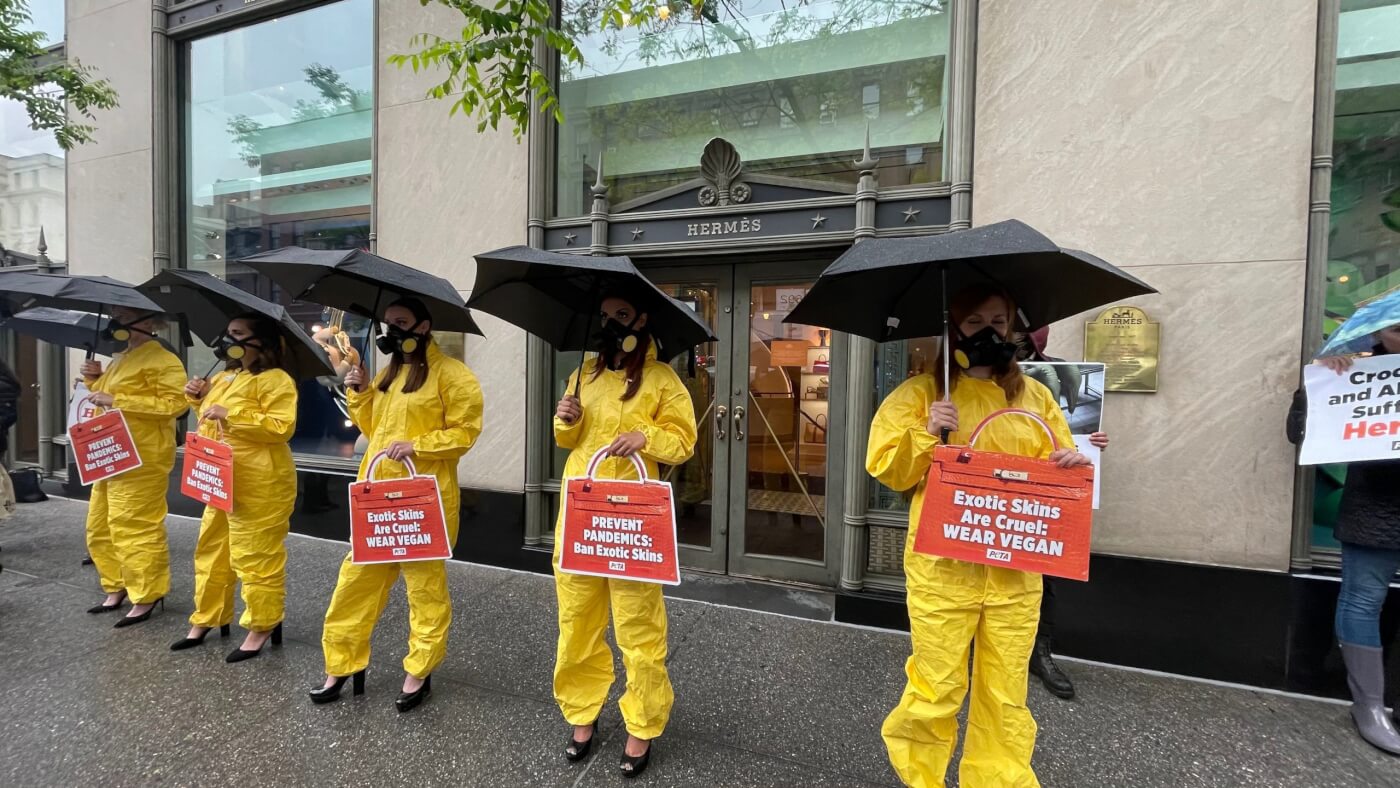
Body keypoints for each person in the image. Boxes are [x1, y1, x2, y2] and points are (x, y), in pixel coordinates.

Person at [867, 285, 1092, 787]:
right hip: (943, 571)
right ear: (953, 330)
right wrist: (926, 432)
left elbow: (1055, 464)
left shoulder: (1034, 396)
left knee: (1005, 690)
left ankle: (999, 779)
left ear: (1013, 328)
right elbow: (886, 467)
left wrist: (1071, 462)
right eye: (975, 322)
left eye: (999, 320)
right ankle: (921, 776)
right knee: (937, 683)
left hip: (1015, 571)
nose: (990, 331)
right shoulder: (922, 393)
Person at [311, 298, 483, 712]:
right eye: (388, 323)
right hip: (376, 497)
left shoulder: (454, 376)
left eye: (401, 323)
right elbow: (375, 430)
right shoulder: (390, 374)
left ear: (423, 327)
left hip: (424, 499)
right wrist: (360, 392)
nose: (393, 331)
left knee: (424, 589)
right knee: (355, 583)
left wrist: (419, 445)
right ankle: (342, 664)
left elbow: (466, 433)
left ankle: (419, 671)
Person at [553, 292, 697, 779]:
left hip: (633, 520)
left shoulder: (661, 379)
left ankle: (642, 722)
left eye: (621, 315)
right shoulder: (584, 374)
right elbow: (567, 440)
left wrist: (646, 436)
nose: (611, 324)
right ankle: (582, 712)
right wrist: (566, 417)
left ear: (641, 320)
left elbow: (684, 441)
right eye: (605, 316)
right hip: (582, 514)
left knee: (638, 625)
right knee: (577, 619)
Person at [1292, 321, 1400, 754]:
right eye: (1395, 327)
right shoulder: (1351, 368)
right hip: (1375, 506)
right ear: (1378, 330)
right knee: (1362, 599)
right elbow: (1299, 432)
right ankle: (1370, 706)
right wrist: (1317, 386)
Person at [172, 314, 299, 662]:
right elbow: (212, 423)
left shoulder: (277, 380)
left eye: (238, 334)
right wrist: (198, 399)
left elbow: (281, 427)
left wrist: (231, 415)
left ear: (260, 341)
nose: (229, 340)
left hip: (260, 482)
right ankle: (208, 616)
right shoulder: (225, 376)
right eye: (228, 333)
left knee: (256, 556)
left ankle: (262, 624)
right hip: (219, 477)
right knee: (212, 551)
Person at [1015, 326, 1110, 700]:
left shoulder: (1055, 370)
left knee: (1043, 575)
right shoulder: (975, 374)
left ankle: (1040, 653)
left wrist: (1093, 443)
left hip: (1043, 490)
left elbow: (1074, 433)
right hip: (993, 489)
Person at [82, 307, 187, 626]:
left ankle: (147, 593)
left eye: (124, 314)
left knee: (135, 525)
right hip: (109, 453)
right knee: (100, 526)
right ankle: (117, 585)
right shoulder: (122, 357)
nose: (117, 319)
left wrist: (117, 400)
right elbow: (107, 395)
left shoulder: (164, 359)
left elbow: (176, 404)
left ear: (146, 322)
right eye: (115, 314)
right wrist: (93, 379)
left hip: (142, 456)